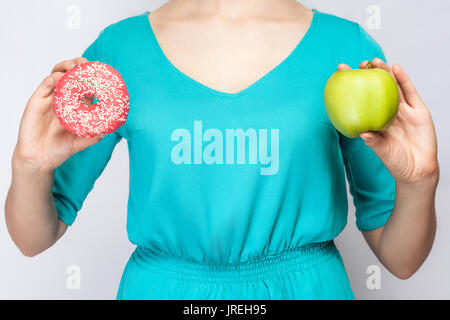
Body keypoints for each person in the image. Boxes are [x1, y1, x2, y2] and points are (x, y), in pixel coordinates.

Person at [5, 0, 439, 299]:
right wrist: (29, 166)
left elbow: (400, 261)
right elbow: (34, 238)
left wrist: (420, 183)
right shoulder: (118, 50)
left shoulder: (346, 50)